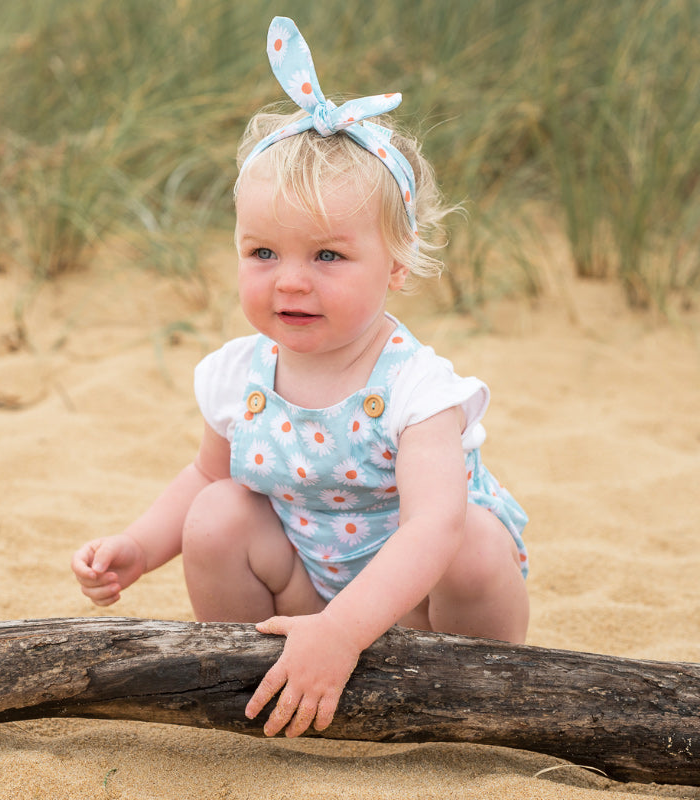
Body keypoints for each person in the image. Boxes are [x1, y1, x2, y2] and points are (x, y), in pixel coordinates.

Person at [72, 16, 529, 740]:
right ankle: (252, 684)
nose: (290, 282)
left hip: (424, 614)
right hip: (307, 596)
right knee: (216, 514)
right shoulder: (238, 374)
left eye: (326, 257)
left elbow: (431, 529)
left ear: (398, 266)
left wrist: (349, 633)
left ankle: (471, 708)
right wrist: (138, 546)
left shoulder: (418, 389)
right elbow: (202, 475)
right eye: (261, 253)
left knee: (472, 539)